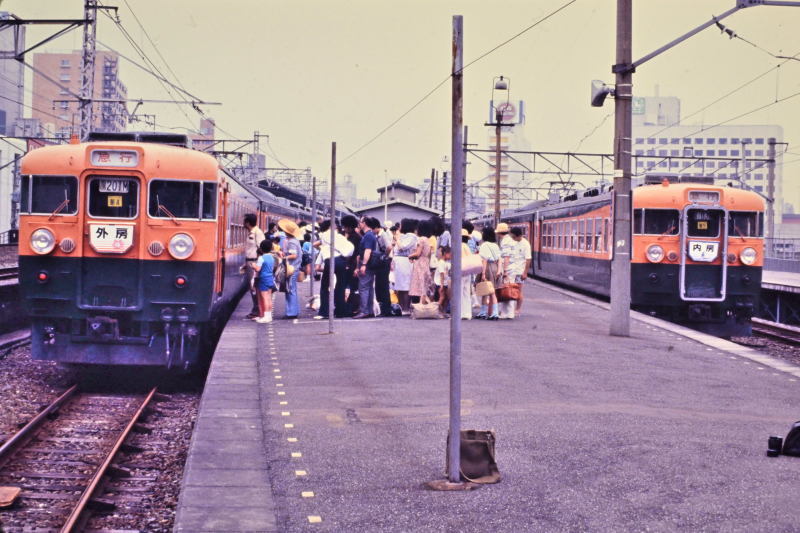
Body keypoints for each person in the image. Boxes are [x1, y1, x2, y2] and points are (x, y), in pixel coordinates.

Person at [314, 219, 353, 319]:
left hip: (330, 261)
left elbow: (315, 244)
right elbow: (349, 249)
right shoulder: (340, 237)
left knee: (324, 287)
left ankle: (324, 312)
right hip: (341, 260)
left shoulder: (324, 236)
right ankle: (340, 311)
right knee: (341, 286)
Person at [353, 217, 381, 318]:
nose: (359, 224)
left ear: (364, 223)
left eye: (360, 222)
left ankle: (364, 310)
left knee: (363, 288)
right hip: (370, 265)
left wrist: (363, 264)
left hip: (367, 265)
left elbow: (367, 251)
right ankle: (369, 310)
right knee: (369, 288)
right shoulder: (369, 235)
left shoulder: (368, 236)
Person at [278, 219, 303, 319]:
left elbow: (293, 255)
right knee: (292, 290)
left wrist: (283, 257)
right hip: (293, 268)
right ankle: (294, 310)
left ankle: (291, 313)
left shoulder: (291, 242)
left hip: (291, 268)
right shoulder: (294, 240)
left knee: (290, 290)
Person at [392, 218, 418, 313]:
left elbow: (403, 247)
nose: (400, 227)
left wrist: (398, 239)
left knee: (405, 286)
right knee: (399, 286)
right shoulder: (405, 236)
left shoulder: (411, 236)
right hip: (399, 261)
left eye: (401, 225)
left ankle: (406, 308)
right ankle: (402, 307)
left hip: (405, 261)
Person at [243, 214, 266, 319]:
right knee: (252, 287)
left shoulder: (258, 233)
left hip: (254, 263)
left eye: (244, 221)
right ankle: (256, 309)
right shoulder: (251, 233)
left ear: (247, 222)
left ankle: (257, 310)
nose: (243, 223)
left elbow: (262, 248)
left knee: (254, 287)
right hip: (249, 262)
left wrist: (257, 263)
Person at [477, 226, 502, 320]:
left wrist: (483, 273)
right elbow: (500, 259)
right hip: (495, 267)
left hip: (487, 268)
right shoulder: (495, 245)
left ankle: (491, 313)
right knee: (490, 291)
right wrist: (499, 270)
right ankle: (486, 312)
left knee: (487, 291)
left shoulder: (484, 245)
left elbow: (484, 260)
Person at [508, 226, 532, 315]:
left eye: (514, 237)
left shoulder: (525, 244)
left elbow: (528, 259)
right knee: (509, 290)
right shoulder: (512, 242)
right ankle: (510, 309)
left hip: (519, 271)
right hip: (511, 270)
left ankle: (517, 309)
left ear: (519, 236)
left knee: (518, 290)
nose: (512, 239)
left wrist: (525, 272)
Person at [409, 219, 433, 304]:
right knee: (424, 284)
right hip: (426, 263)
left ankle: (418, 307)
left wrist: (410, 256)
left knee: (417, 285)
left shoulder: (421, 239)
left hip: (419, 263)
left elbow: (418, 253)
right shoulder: (427, 240)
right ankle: (423, 305)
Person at [252, 239, 276, 323]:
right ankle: (269, 316)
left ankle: (265, 316)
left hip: (263, 279)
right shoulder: (271, 257)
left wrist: (253, 265)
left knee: (264, 298)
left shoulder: (261, 258)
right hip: (270, 278)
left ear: (261, 249)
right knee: (269, 297)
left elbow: (258, 269)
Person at [374, 220, 394, 317]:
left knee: (383, 285)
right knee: (379, 285)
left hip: (384, 262)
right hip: (380, 262)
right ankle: (382, 308)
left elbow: (389, 247)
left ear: (377, 227)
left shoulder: (383, 235)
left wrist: (384, 256)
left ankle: (386, 309)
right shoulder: (379, 235)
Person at [436, 246, 451, 315]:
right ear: (445, 253)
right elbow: (441, 274)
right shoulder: (441, 262)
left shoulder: (445, 262)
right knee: (442, 297)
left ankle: (442, 312)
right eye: (450, 254)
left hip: (444, 283)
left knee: (446, 297)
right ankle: (436, 311)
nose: (451, 256)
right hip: (440, 283)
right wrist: (441, 285)